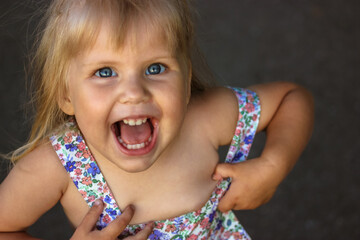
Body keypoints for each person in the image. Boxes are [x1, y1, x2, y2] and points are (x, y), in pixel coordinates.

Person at [0, 0, 314, 239]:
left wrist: (273, 165)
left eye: (155, 68)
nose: (134, 93)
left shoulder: (202, 120)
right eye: (105, 72)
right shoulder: (57, 167)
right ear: (66, 94)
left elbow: (291, 99)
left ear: (186, 77)